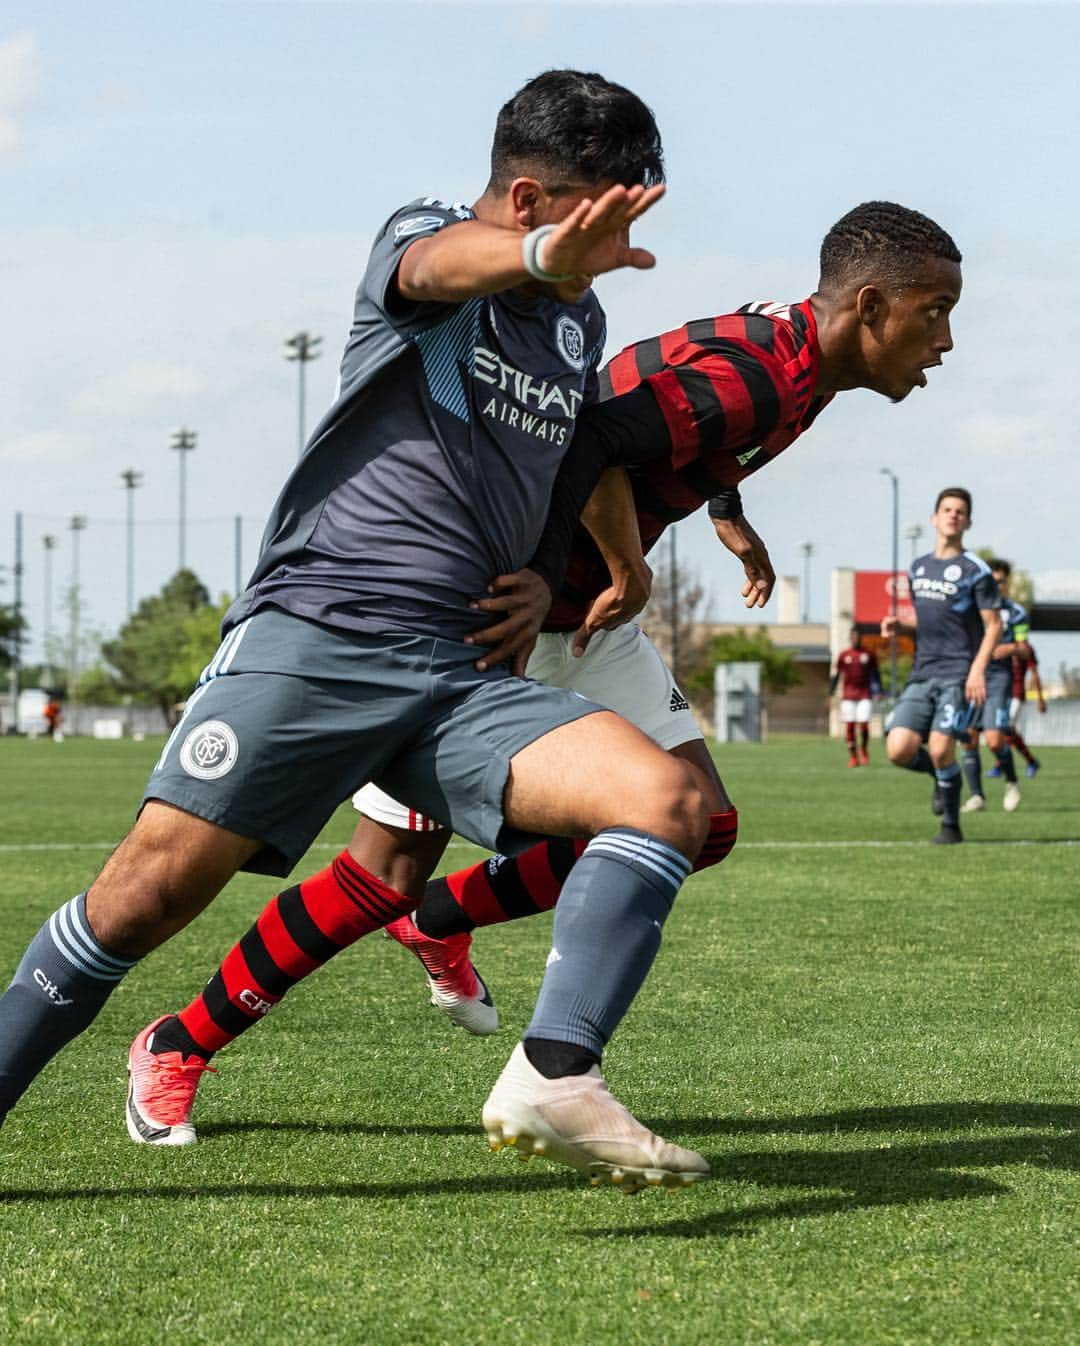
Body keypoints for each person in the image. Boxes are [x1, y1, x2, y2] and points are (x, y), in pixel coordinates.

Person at [0, 70, 719, 1195]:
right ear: (529, 200)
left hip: (468, 675)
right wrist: (537, 261)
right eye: (596, 214)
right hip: (323, 632)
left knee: (674, 803)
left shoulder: (578, 320)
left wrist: (554, 572)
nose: (613, 239)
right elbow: (439, 268)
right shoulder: (427, 239)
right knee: (139, 901)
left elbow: (567, 452)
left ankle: (555, 1071)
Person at [136, 199, 964, 1129]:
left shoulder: (796, 356)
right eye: (935, 312)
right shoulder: (765, 376)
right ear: (872, 305)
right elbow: (592, 426)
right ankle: (179, 1043)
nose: (943, 340)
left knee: (703, 822)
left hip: (591, 619)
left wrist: (725, 514)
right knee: (383, 874)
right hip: (505, 620)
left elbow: (674, 418)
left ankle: (442, 922)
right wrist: (578, 569)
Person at [882, 489, 1002, 844]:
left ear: (968, 522)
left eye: (960, 511)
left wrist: (978, 670)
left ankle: (951, 827)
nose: (953, 515)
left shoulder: (975, 570)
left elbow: (993, 625)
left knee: (939, 748)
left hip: (959, 674)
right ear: (934, 518)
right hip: (922, 672)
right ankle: (941, 775)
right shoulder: (918, 567)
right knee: (898, 750)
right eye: (947, 509)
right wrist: (901, 627)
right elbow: (934, 621)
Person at [959, 559, 1027, 813]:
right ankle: (977, 796)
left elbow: (1025, 648)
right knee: (968, 738)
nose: (996, 586)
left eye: (1000, 581)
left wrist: (1011, 648)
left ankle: (1011, 782)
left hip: (999, 678)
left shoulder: (1016, 612)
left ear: (1006, 583)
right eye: (992, 581)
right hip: (972, 676)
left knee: (995, 739)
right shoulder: (972, 610)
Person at [829, 627, 881, 766]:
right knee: (850, 726)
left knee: (863, 724)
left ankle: (864, 750)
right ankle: (853, 756)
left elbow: (876, 674)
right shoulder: (844, 655)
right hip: (848, 695)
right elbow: (837, 676)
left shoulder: (869, 654)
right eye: (853, 636)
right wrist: (831, 694)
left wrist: (878, 691)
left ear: (860, 638)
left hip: (865, 694)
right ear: (850, 638)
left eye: (857, 636)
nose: (855, 639)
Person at [994, 639, 1045, 778]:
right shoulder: (1002, 644)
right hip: (1002, 693)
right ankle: (1031, 761)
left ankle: (1000, 766)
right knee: (1006, 730)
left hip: (1017, 693)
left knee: (1007, 727)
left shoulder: (1025, 648)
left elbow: (1034, 674)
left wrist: (1040, 698)